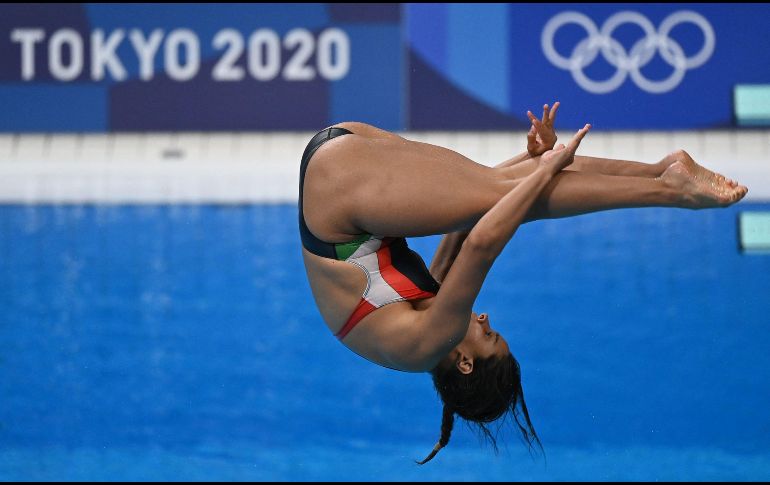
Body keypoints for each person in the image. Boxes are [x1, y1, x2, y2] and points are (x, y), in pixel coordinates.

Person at [298, 102, 748, 464]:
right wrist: (535, 161)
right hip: (341, 161)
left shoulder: (430, 341)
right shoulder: (416, 339)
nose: (487, 319)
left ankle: (669, 190)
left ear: (465, 364)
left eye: (490, 336)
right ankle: (660, 169)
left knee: (514, 195)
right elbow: (468, 222)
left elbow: (483, 244)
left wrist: (546, 171)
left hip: (340, 188)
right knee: (503, 188)